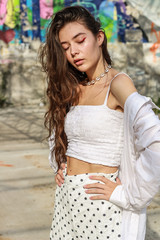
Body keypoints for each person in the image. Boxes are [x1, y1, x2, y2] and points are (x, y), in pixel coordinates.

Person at [39, 6, 160, 240]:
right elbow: (63, 136)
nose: (74, 51)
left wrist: (128, 195)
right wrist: (61, 166)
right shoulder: (75, 88)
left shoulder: (118, 84)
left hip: (102, 207)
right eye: (65, 47)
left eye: (80, 40)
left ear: (99, 38)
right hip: (67, 202)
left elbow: (155, 139)